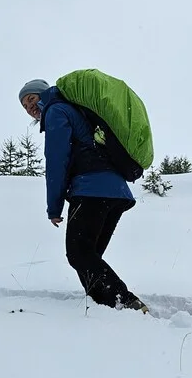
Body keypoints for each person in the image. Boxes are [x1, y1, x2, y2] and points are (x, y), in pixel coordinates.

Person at [17, 78, 147, 313]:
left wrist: (53, 208)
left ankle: (126, 302)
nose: (29, 108)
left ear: (43, 95)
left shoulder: (56, 111)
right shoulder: (75, 111)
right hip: (115, 192)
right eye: (25, 106)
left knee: (78, 253)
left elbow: (56, 160)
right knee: (88, 256)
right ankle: (106, 310)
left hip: (91, 189)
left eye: (31, 99)